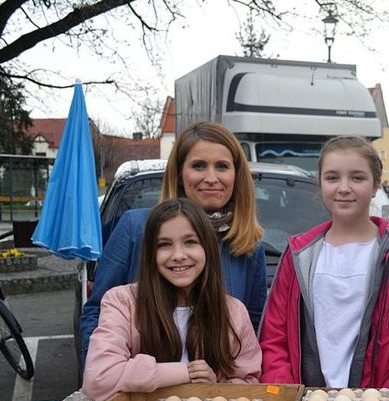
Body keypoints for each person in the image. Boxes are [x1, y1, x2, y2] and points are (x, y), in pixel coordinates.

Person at [79, 122, 267, 370]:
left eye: (222, 166)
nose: (211, 178)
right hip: (134, 400)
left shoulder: (249, 247)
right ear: (179, 173)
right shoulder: (137, 228)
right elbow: (97, 314)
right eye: (199, 165)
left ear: (236, 174)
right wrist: (101, 377)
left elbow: (250, 331)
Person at [259, 135, 389, 388]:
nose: (343, 188)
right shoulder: (300, 254)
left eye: (357, 177)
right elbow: (275, 338)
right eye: (332, 177)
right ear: (320, 184)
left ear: (375, 186)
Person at [83, 199, 261, 401]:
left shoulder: (233, 312)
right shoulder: (122, 302)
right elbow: (98, 379)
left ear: (208, 248)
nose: (178, 255)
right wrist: (185, 372)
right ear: (150, 253)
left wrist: (217, 388)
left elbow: (250, 385)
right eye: (164, 245)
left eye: (190, 242)